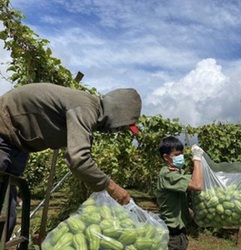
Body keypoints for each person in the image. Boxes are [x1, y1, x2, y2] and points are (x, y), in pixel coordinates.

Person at [0, 83, 142, 239]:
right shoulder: (85, 108)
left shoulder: (88, 111)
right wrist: (113, 188)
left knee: (7, 213)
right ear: (118, 112)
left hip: (17, 146)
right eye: (122, 125)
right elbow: (79, 160)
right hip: (4, 133)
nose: (118, 131)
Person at [156, 136, 203, 250]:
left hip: (180, 234)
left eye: (181, 153)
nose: (181, 157)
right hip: (171, 236)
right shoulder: (167, 175)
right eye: (177, 154)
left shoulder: (176, 173)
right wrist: (197, 159)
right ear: (166, 157)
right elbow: (197, 185)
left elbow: (197, 179)